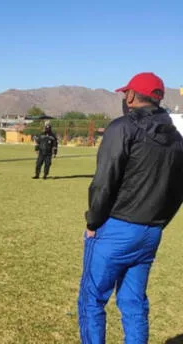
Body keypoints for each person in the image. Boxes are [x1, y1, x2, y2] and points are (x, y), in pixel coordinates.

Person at [78, 72, 183, 344]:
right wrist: (158, 222)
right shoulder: (176, 138)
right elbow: (177, 192)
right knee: (134, 303)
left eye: (126, 94)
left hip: (116, 227)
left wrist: (93, 222)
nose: (124, 98)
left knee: (92, 300)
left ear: (133, 96)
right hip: (151, 232)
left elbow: (104, 181)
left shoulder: (122, 127)